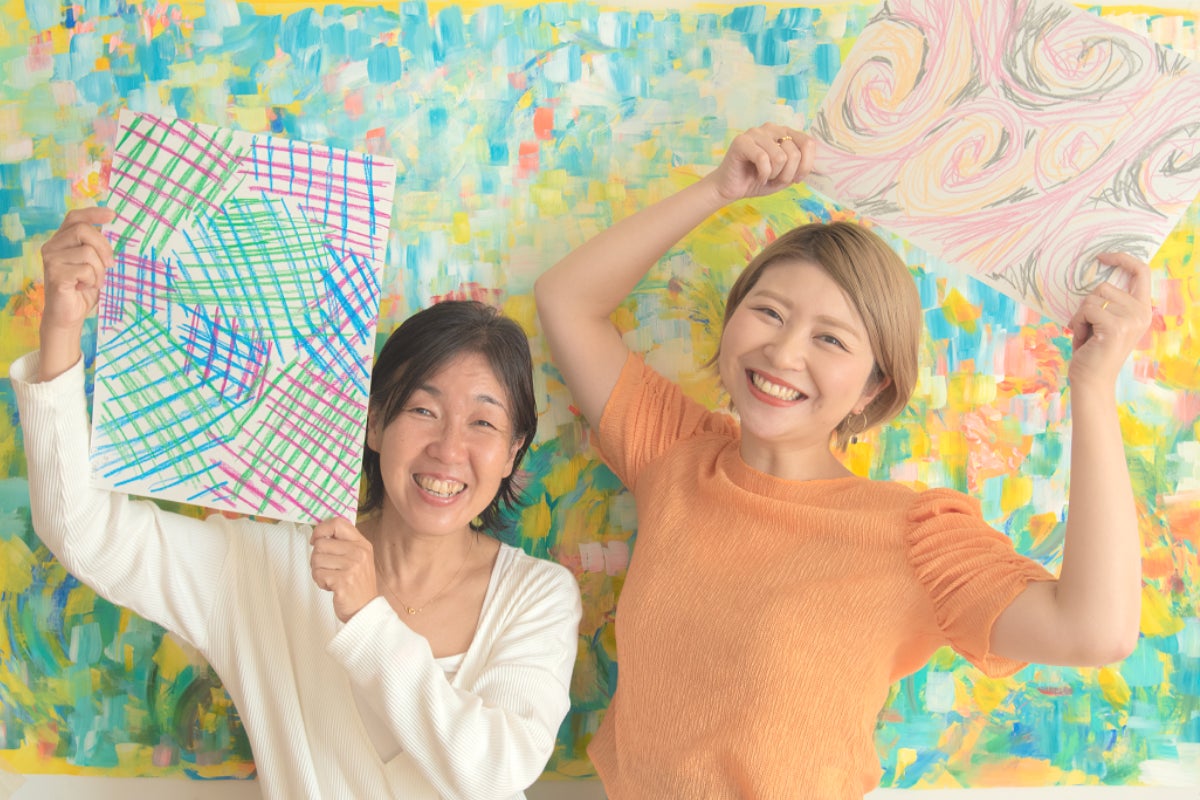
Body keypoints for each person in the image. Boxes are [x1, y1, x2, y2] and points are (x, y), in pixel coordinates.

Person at [534, 124, 1150, 798]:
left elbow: (1095, 631)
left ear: (873, 387)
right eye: (769, 312)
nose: (784, 353)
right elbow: (567, 301)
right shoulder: (675, 455)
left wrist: (1093, 386)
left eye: (830, 339)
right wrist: (718, 190)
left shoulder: (914, 536)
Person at [14, 206, 583, 799]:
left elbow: (495, 770)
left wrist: (367, 618)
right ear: (373, 423)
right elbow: (80, 529)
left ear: (513, 452)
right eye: (423, 409)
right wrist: (61, 328)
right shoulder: (263, 568)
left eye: (483, 423)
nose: (447, 449)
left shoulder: (537, 596)